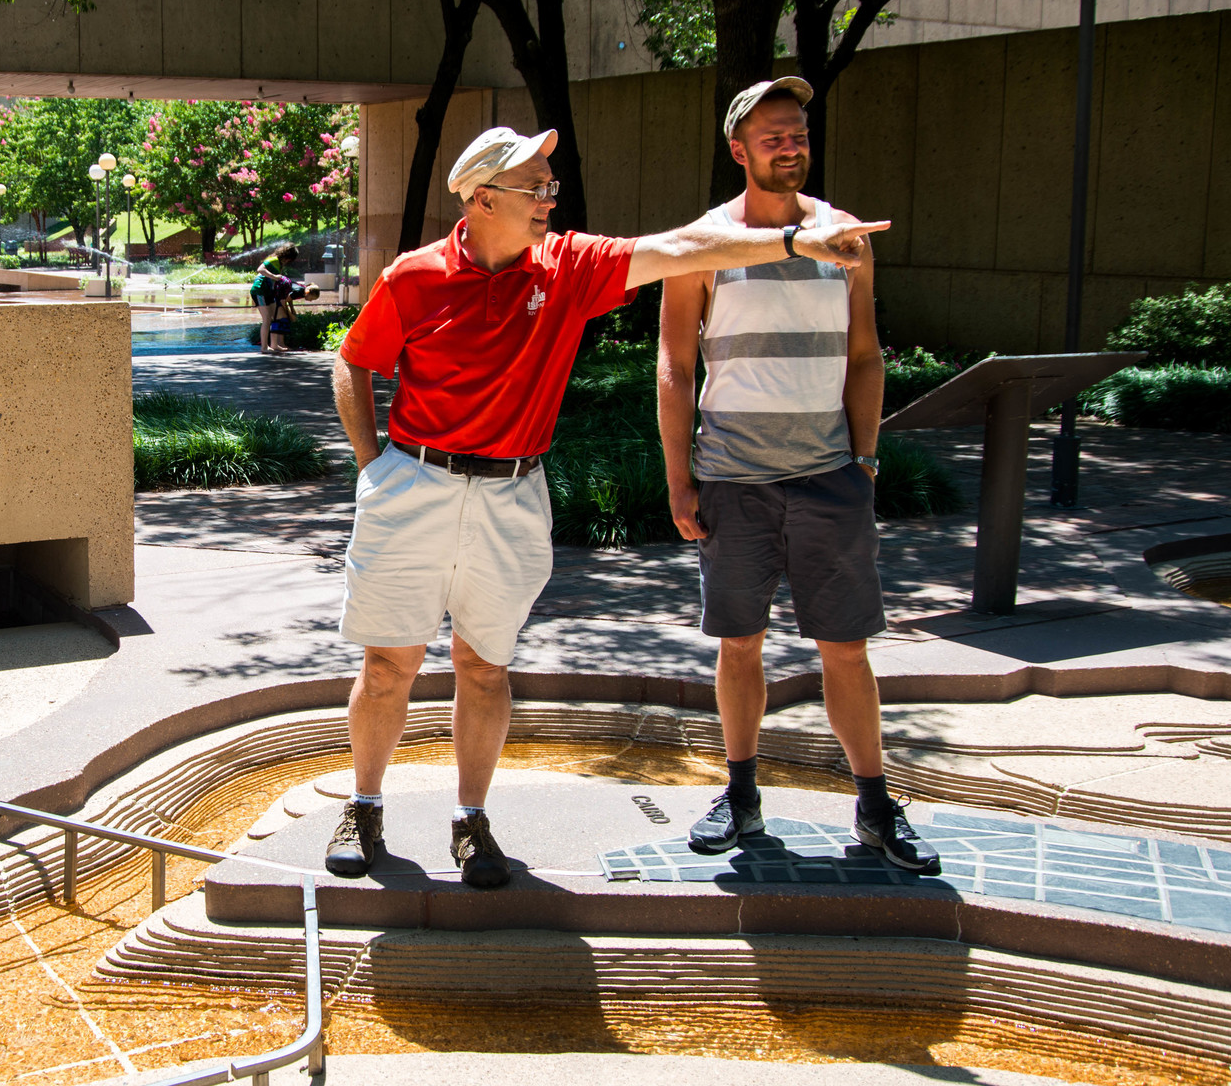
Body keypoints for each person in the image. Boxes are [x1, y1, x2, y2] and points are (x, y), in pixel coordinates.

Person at [328, 125, 888, 887]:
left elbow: (686, 249)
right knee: (390, 664)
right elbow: (354, 362)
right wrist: (373, 470)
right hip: (414, 485)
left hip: (512, 491)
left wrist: (795, 243)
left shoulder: (567, 266)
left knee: (484, 668)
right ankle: (363, 808)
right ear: (484, 199)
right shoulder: (413, 278)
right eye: (538, 188)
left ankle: (470, 822)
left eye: (553, 186)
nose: (551, 201)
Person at [658, 78, 937, 874]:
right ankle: (740, 795)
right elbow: (676, 363)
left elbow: (864, 355)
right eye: (773, 133)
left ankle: (876, 806)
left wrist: (866, 462)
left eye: (799, 131)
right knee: (739, 645)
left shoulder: (847, 235)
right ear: (738, 149)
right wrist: (681, 477)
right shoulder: (703, 242)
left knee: (844, 651)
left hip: (828, 480)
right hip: (733, 482)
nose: (791, 142)